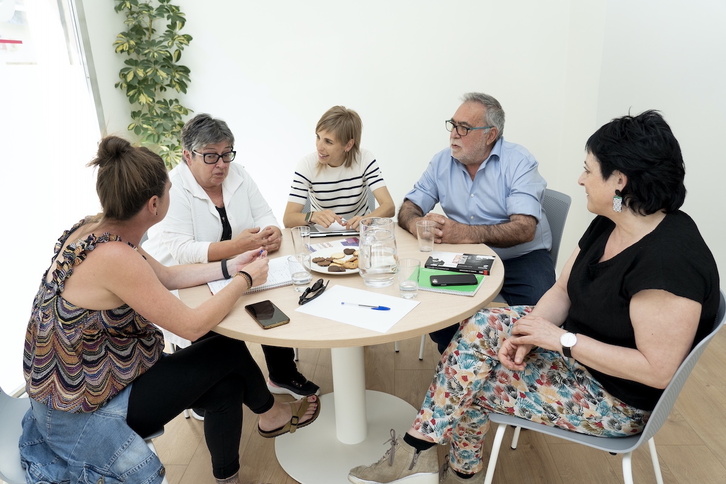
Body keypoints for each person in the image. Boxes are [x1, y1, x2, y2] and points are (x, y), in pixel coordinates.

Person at [348, 110, 720, 484]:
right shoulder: (613, 221)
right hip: (581, 352)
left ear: (619, 180)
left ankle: (437, 461)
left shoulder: (670, 262)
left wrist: (560, 340)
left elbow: (657, 370)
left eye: (589, 170)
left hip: (612, 398)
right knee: (479, 323)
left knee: (472, 380)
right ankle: (428, 454)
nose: (580, 179)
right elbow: (562, 290)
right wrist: (527, 334)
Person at [20, 136, 320, 484]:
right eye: (169, 189)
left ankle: (231, 474)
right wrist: (244, 280)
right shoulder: (115, 257)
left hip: (86, 383)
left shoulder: (93, 230)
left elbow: (166, 275)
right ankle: (270, 413)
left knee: (227, 385)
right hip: (87, 410)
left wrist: (231, 265)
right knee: (226, 348)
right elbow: (192, 327)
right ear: (153, 204)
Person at [143, 113, 319, 401]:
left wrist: (272, 231)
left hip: (236, 267)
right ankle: (205, 394)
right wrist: (238, 247)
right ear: (188, 155)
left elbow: (264, 214)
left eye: (226, 155)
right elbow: (184, 250)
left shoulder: (239, 174)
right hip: (187, 278)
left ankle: (281, 374)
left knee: (271, 299)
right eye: (211, 157)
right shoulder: (173, 187)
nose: (222, 165)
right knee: (215, 329)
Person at [398, 92, 556, 353]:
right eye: (453, 124)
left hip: (520, 255)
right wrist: (416, 223)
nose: (454, 134)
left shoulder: (519, 161)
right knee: (438, 310)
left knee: (539, 315)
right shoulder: (441, 161)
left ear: (490, 135)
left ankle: (518, 372)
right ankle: (458, 369)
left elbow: (525, 228)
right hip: (464, 256)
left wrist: (463, 233)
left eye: (465, 128)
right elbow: (408, 207)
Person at [283, 105, 395, 230]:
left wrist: (365, 219)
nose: (319, 147)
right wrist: (312, 216)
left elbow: (389, 206)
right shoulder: (307, 165)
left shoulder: (364, 158)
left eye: (328, 142)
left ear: (348, 145)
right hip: (322, 236)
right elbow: (288, 219)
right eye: (318, 137)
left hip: (359, 233)